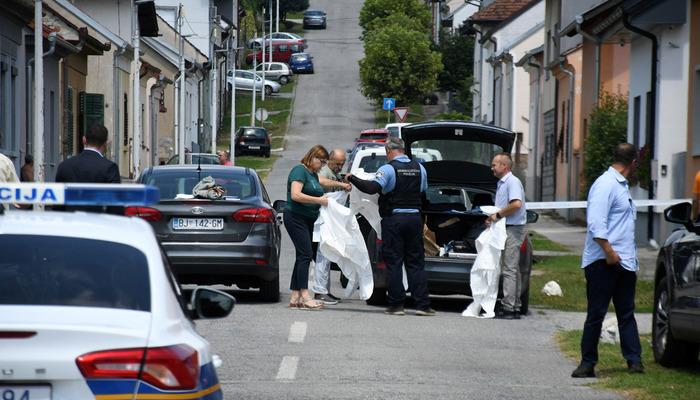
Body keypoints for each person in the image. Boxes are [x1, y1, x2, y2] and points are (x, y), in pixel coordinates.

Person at [571, 143, 644, 378]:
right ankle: (587, 362)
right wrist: (609, 252)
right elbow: (596, 223)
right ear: (633, 163)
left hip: (624, 262)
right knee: (596, 314)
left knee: (626, 313)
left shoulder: (621, 186)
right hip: (604, 261)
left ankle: (634, 360)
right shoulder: (605, 184)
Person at [346, 137, 434, 316]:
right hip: (415, 220)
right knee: (416, 263)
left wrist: (352, 178)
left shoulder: (388, 169)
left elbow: (371, 188)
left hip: (394, 220)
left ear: (389, 150)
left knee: (394, 262)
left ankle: (396, 305)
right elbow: (423, 195)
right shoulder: (420, 169)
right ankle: (422, 305)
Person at [285, 145, 331, 310]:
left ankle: (294, 295)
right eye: (322, 161)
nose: (323, 165)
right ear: (313, 157)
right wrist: (319, 201)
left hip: (308, 219)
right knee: (306, 254)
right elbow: (295, 195)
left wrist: (340, 186)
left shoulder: (313, 174)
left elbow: (322, 184)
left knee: (301, 255)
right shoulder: (299, 171)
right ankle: (305, 295)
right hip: (295, 217)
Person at [486, 153, 527, 320]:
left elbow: (516, 204)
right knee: (513, 269)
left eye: (495, 164)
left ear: (504, 166)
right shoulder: (502, 183)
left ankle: (508, 307)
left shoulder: (512, 182)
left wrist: (497, 215)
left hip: (513, 229)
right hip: (506, 227)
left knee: (509, 269)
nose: (492, 167)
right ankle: (515, 305)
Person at [313, 149, 351, 305]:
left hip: (329, 221)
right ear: (329, 160)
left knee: (327, 256)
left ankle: (324, 290)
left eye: (342, 164)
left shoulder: (333, 173)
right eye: (337, 164)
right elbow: (321, 180)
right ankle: (320, 292)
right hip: (322, 221)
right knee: (323, 255)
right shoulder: (324, 171)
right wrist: (341, 184)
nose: (340, 167)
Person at [55, 123, 121, 213]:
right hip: (98, 224)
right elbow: (115, 207)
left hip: (70, 224)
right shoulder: (110, 168)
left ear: (84, 140)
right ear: (106, 144)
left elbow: (58, 204)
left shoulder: (64, 166)